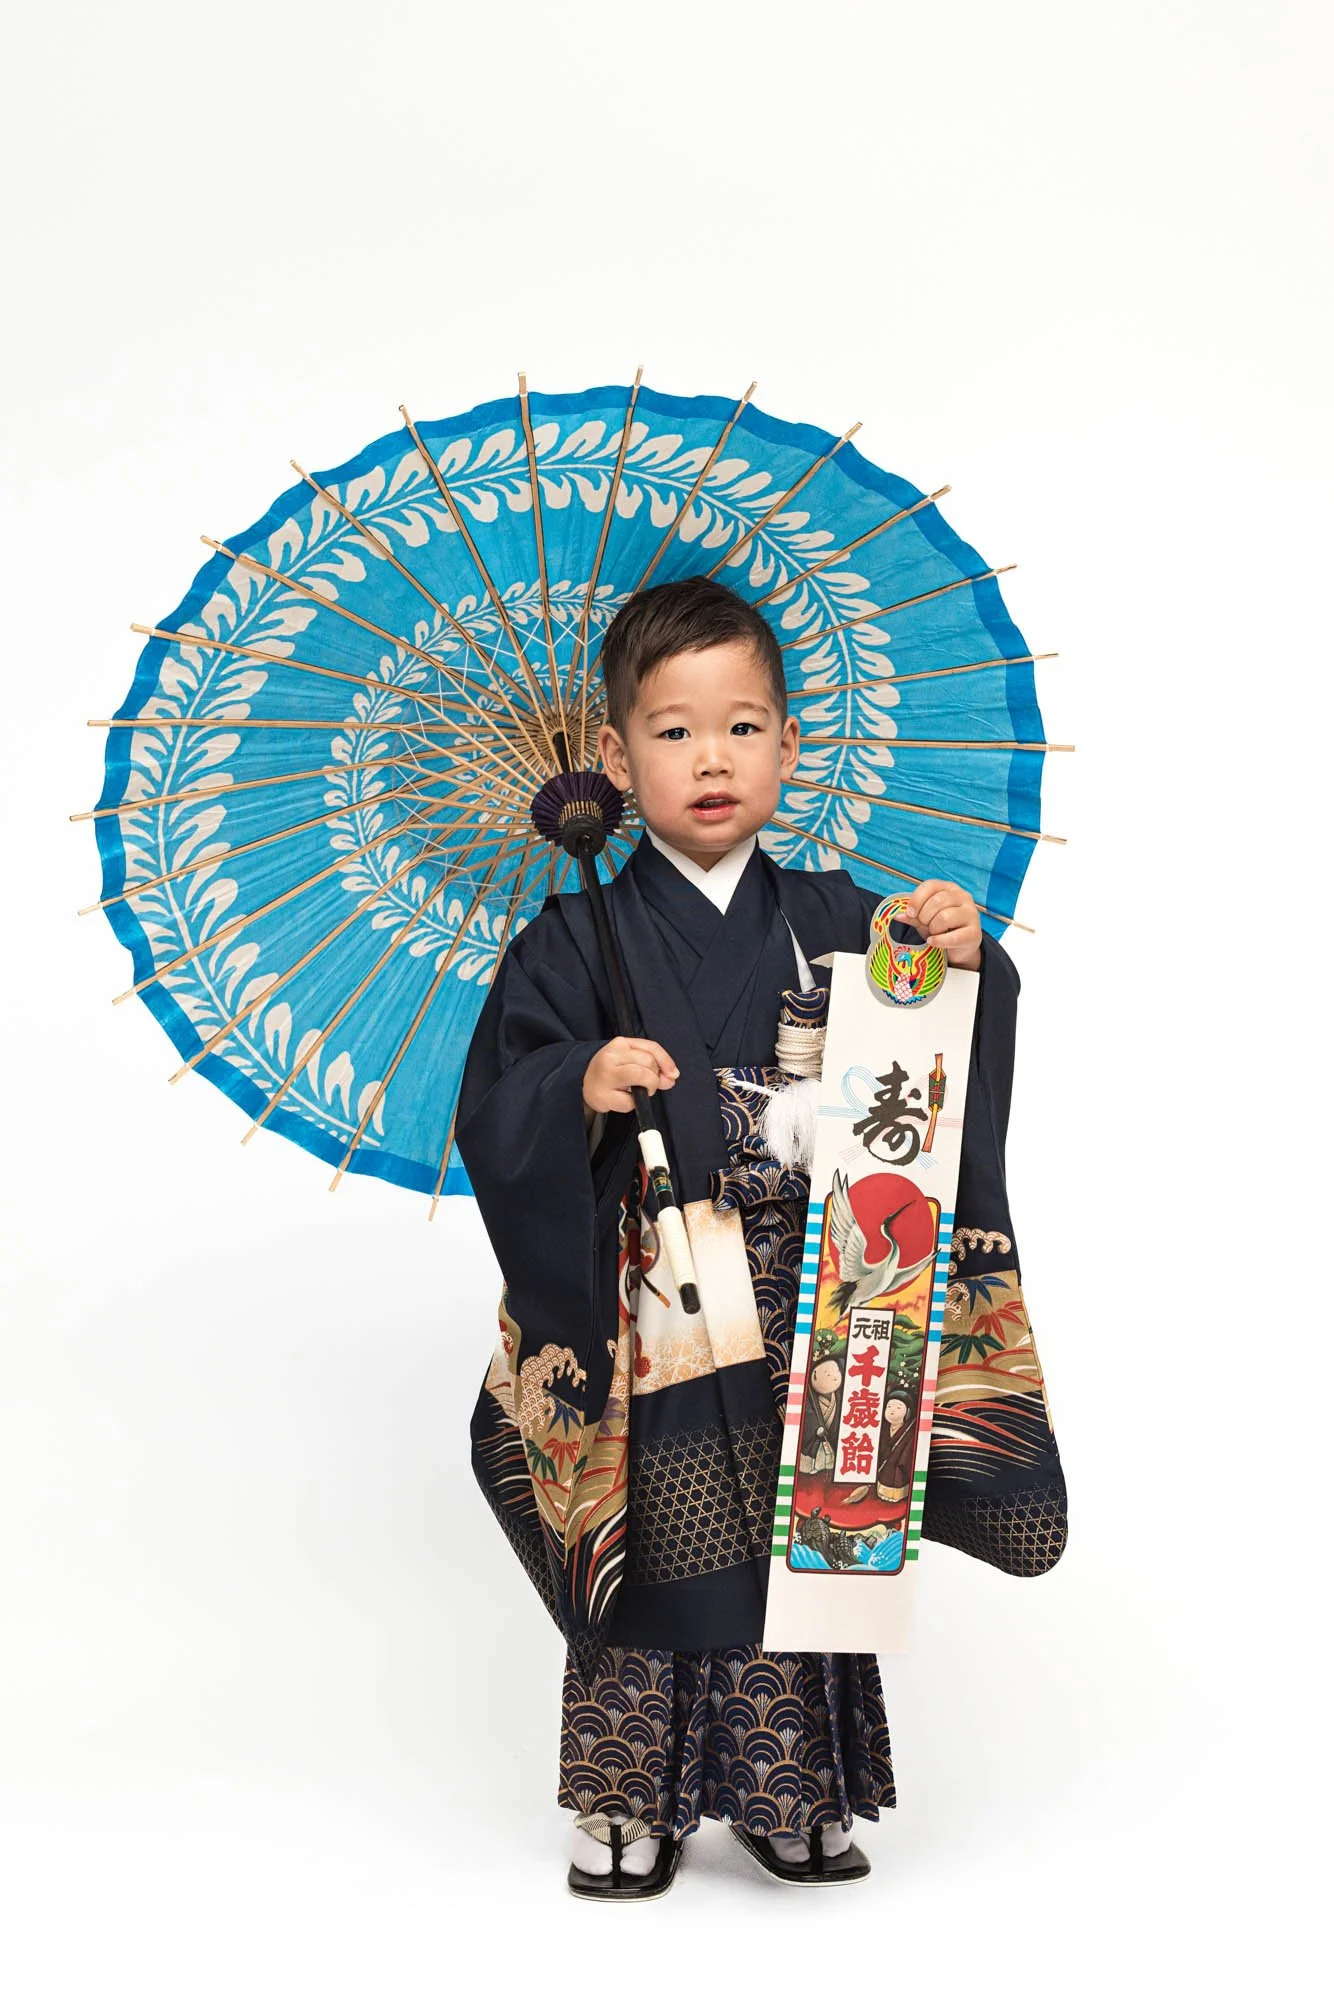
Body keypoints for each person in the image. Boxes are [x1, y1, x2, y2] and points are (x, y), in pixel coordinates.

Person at [455, 575, 1060, 1900]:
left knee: (816, 1539)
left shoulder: (849, 917)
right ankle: (627, 1798)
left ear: (791, 742)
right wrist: (576, 1086)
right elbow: (500, 1107)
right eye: (671, 732)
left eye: (742, 725)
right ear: (611, 759)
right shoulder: (569, 940)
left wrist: (961, 960)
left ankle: (796, 1789)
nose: (710, 758)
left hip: (821, 1298)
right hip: (660, 1299)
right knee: (659, 1546)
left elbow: (938, 1066)